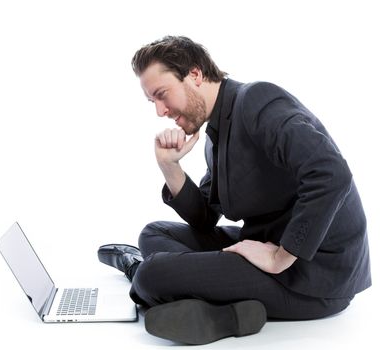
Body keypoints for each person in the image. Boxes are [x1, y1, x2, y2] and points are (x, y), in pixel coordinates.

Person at [98, 36, 371, 345]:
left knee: (150, 275)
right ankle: (221, 298)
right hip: (263, 245)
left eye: (162, 95)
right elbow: (203, 219)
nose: (160, 111)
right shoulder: (215, 137)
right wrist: (170, 166)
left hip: (313, 276)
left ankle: (144, 271)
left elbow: (330, 172)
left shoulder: (258, 100)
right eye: (153, 102)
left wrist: (281, 256)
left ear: (195, 75)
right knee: (154, 233)